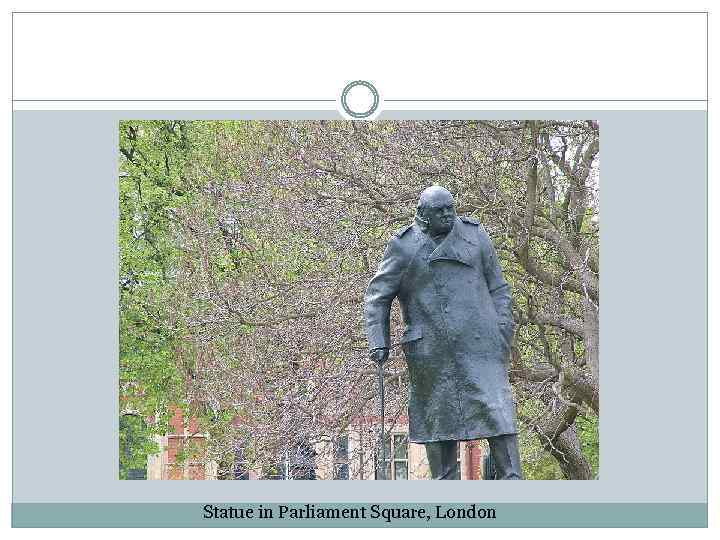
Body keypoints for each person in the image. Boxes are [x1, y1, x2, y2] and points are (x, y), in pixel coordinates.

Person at [364, 185, 523, 480]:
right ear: (422, 214)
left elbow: (499, 288)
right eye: (440, 211)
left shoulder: (475, 236)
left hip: (482, 346)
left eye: (451, 208)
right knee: (439, 425)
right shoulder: (404, 246)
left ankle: (513, 485)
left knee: (498, 413)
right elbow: (377, 296)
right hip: (432, 353)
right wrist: (379, 341)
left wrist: (503, 330)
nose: (448, 215)